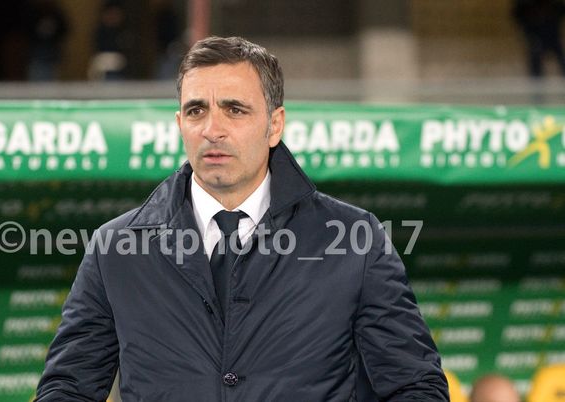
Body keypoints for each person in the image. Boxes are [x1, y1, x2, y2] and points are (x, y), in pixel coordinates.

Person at [35, 36, 448, 401]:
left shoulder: (356, 241)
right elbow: (67, 389)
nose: (212, 129)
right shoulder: (115, 250)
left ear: (274, 125)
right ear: (180, 124)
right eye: (196, 110)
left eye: (234, 110)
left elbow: (416, 387)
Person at [512, 0, 565, 77]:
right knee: (536, 54)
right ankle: (536, 78)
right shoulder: (524, 5)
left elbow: (560, 10)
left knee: (559, 55)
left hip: (551, 33)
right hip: (535, 33)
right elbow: (518, 15)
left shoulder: (554, 5)